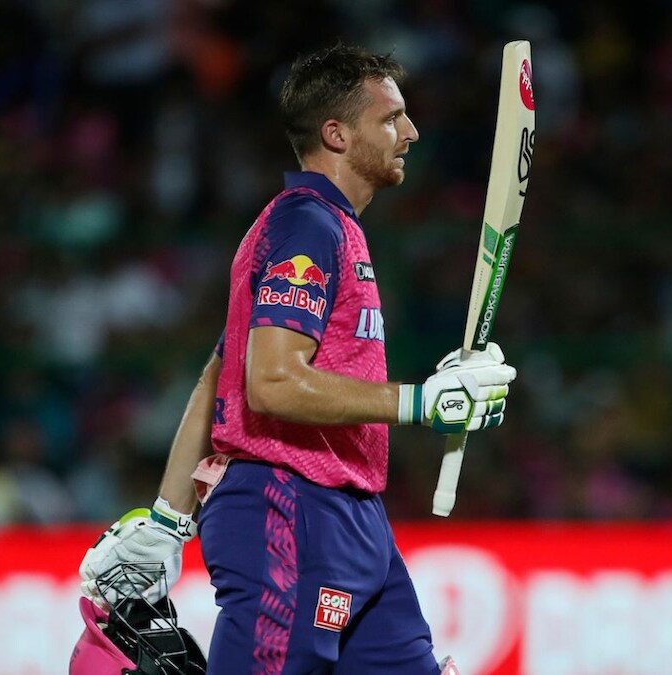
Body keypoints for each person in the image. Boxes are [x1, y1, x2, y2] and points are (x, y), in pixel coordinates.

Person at [79, 44, 517, 674]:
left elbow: (219, 377)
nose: (412, 132)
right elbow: (271, 383)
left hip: (353, 517)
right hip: (291, 507)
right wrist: (426, 402)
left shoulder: (327, 227)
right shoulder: (306, 227)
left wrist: (169, 519)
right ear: (337, 134)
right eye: (391, 118)